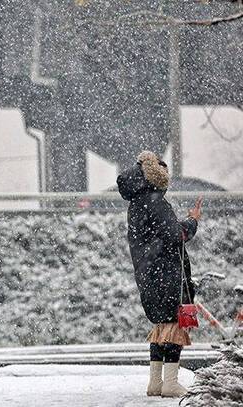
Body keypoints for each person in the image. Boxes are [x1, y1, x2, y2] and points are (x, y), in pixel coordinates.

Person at [117, 150, 203, 398]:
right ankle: (171, 383)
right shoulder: (155, 202)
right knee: (175, 324)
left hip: (148, 273)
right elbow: (177, 236)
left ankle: (155, 382)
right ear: (156, 176)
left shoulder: (136, 204)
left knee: (161, 325)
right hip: (166, 273)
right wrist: (192, 221)